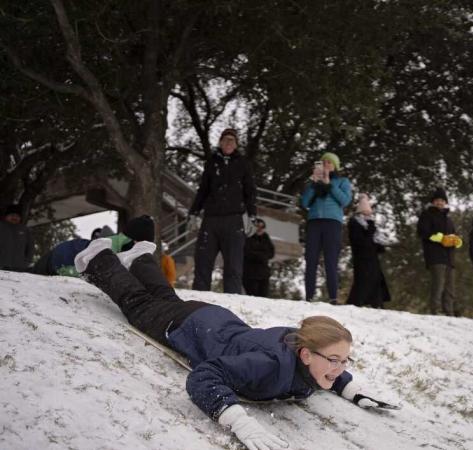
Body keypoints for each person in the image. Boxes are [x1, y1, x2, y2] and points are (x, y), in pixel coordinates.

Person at [73, 237, 392, 450]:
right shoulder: (269, 365)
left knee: (166, 298)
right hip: (189, 327)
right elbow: (204, 377)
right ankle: (97, 258)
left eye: (344, 361)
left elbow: (329, 371)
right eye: (335, 360)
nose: (340, 368)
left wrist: (353, 391)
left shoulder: (305, 349)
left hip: (213, 320)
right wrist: (239, 421)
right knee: (139, 303)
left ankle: (140, 258)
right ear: (306, 354)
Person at [189, 128, 257, 294]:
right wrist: (193, 213)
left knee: (234, 266)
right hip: (211, 219)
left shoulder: (243, 164)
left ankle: (232, 302)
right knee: (203, 263)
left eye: (232, 140)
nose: (228, 143)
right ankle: (199, 300)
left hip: (234, 220)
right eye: (225, 139)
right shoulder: (212, 162)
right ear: (220, 142)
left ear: (236, 144)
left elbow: (250, 191)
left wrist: (252, 216)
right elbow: (203, 189)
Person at [300, 152, 352, 304]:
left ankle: (333, 297)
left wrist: (329, 183)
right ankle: (308, 296)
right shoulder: (313, 183)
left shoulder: (342, 181)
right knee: (311, 259)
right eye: (323, 162)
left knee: (331, 259)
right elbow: (304, 203)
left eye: (329, 162)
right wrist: (314, 183)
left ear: (335, 166)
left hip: (332, 222)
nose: (326, 165)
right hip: (314, 222)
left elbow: (345, 200)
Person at [416, 188, 462, 315]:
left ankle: (449, 312)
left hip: (449, 257)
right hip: (435, 255)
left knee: (450, 287)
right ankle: (435, 311)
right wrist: (439, 238)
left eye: (442, 200)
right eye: (437, 200)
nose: (440, 203)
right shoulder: (427, 215)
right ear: (433, 202)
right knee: (438, 285)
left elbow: (454, 234)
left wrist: (456, 241)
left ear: (445, 202)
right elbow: (422, 232)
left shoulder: (449, 219)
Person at [347, 194, 391, 308]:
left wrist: (379, 246)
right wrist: (371, 230)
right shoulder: (354, 224)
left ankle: (377, 303)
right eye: (365, 213)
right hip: (361, 258)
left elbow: (372, 243)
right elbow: (361, 242)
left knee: (375, 280)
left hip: (372, 259)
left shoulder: (370, 225)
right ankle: (356, 303)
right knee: (363, 281)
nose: (368, 215)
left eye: (369, 213)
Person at [242, 218, 275, 297]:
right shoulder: (248, 238)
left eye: (262, 227)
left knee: (263, 298)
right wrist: (262, 255)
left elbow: (271, 253)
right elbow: (247, 253)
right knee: (253, 297)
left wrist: (261, 255)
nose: (260, 229)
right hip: (250, 274)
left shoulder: (266, 238)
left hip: (264, 274)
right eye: (258, 226)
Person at [0, 204, 34, 272]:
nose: (15, 218)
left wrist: (27, 262)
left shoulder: (25, 230)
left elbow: (30, 248)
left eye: (17, 216)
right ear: (6, 216)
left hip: (19, 268)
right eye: (12, 215)